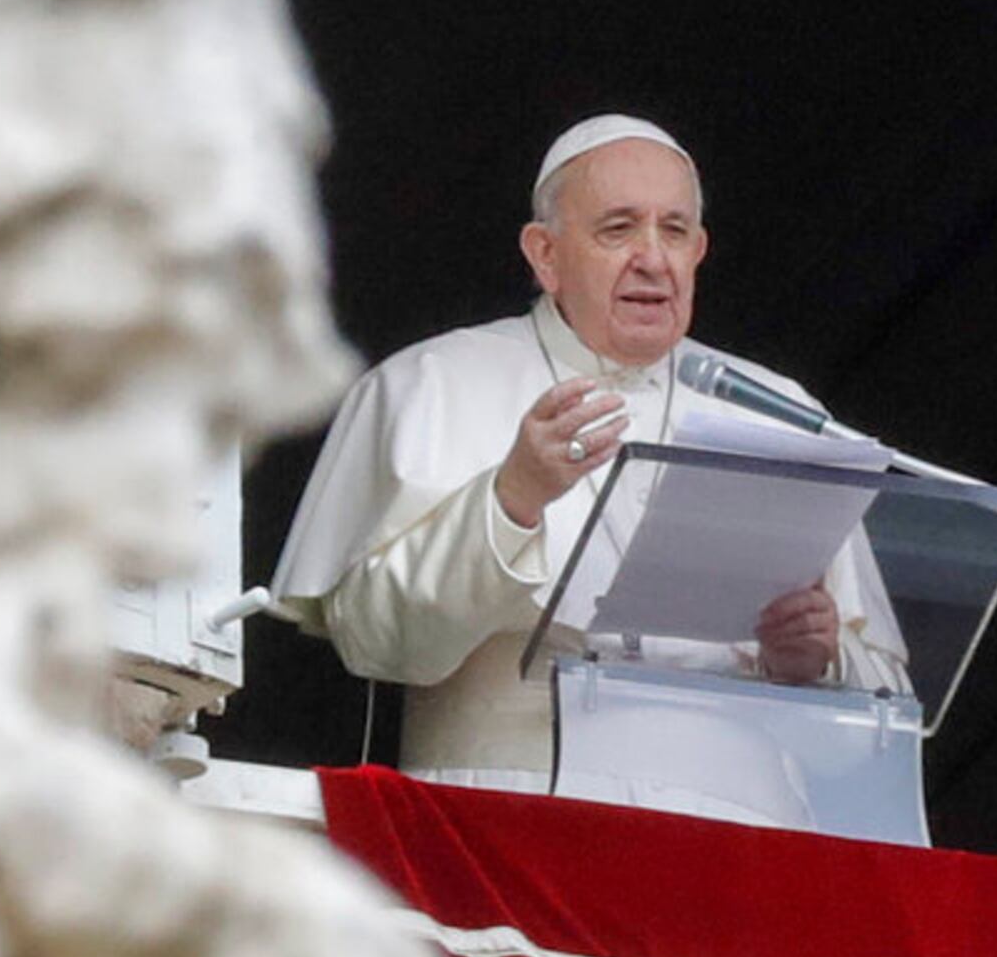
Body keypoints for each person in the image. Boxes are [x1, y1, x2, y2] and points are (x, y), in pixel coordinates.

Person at [272, 114, 901, 794]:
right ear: (545, 254)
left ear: (699, 251)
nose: (653, 259)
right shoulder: (431, 382)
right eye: (618, 228)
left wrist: (817, 660)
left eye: (675, 230)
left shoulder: (779, 411)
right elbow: (378, 644)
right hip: (507, 821)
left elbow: (881, 730)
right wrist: (512, 498)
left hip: (739, 839)